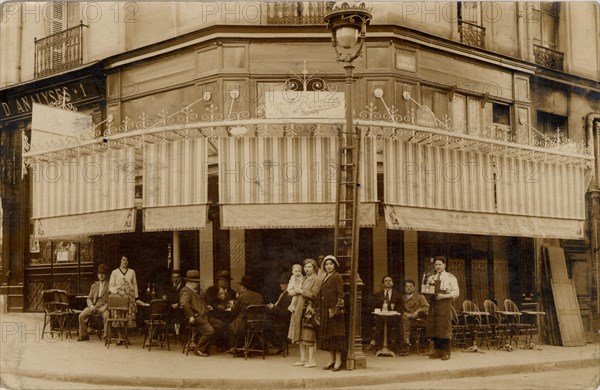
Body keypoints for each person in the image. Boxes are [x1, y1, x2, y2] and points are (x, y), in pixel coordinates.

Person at [288, 258, 322, 368]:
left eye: (310, 267)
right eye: (306, 267)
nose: (307, 269)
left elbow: (314, 295)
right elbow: (294, 290)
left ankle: (312, 361)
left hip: (308, 310)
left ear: (314, 268)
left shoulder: (316, 279)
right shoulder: (303, 278)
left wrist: (301, 291)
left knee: (309, 336)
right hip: (299, 308)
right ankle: (302, 359)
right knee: (300, 336)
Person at [179, 270, 222, 357]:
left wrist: (206, 307)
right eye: (196, 282)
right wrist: (191, 316)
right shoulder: (186, 291)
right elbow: (184, 304)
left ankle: (206, 345)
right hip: (197, 318)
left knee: (220, 325)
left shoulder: (192, 291)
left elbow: (196, 304)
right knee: (210, 331)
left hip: (204, 316)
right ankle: (199, 348)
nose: (198, 284)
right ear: (191, 282)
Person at [425, 256, 459, 360]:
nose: (438, 266)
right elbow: (427, 290)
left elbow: (456, 293)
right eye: (436, 264)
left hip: (444, 304)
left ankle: (446, 352)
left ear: (444, 265)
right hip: (434, 305)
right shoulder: (431, 277)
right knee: (434, 326)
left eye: (440, 264)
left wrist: (443, 296)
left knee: (444, 327)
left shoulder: (450, 277)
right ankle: (437, 351)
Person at [318, 255, 345, 371]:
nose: (328, 266)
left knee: (336, 336)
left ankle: (338, 361)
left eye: (331, 264)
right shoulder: (326, 277)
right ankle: (331, 360)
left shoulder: (336, 277)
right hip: (325, 310)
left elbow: (340, 294)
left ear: (335, 265)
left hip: (334, 312)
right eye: (326, 264)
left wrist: (336, 309)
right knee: (329, 336)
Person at [367, 275, 403, 352]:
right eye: (386, 281)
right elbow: (375, 306)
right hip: (381, 317)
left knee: (385, 323)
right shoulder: (378, 295)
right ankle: (380, 344)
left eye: (390, 280)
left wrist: (394, 313)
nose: (388, 282)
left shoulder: (398, 295)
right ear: (383, 284)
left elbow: (400, 308)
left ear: (392, 283)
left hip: (393, 318)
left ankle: (374, 341)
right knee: (381, 321)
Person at [228, 275, 264, 351]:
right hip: (258, 324)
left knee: (230, 325)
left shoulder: (242, 296)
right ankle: (249, 345)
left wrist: (235, 302)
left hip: (244, 324)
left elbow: (233, 311)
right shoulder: (260, 296)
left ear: (244, 287)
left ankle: (234, 347)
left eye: (241, 286)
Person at [77, 264, 110, 341]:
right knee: (81, 316)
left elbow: (111, 299)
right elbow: (89, 298)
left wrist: (105, 307)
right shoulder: (94, 286)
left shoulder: (109, 285)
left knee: (107, 316)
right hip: (94, 306)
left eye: (103, 274)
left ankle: (106, 336)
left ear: (106, 275)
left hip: (104, 306)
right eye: (99, 274)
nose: (101, 275)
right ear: (97, 275)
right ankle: (83, 336)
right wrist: (91, 305)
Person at [399, 279, 429, 356]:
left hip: (418, 319)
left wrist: (417, 312)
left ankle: (406, 344)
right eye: (407, 286)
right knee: (403, 319)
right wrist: (405, 313)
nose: (408, 288)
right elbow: (400, 308)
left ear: (414, 288)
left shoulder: (420, 297)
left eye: (410, 286)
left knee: (404, 320)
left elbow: (426, 307)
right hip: (406, 319)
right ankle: (405, 343)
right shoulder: (403, 298)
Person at [108, 256, 141, 328]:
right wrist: (117, 292)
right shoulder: (115, 272)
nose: (125, 261)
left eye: (127, 260)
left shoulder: (132, 272)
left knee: (128, 317)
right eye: (123, 260)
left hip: (129, 297)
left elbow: (135, 284)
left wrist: (136, 297)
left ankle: (126, 333)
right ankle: (120, 332)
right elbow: (111, 286)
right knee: (119, 316)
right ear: (120, 261)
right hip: (119, 297)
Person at [266, 274, 292, 354]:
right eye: (280, 283)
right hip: (279, 320)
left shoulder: (288, 295)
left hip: (282, 322)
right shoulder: (283, 294)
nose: (281, 285)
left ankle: (278, 345)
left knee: (263, 328)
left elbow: (285, 312)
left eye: (283, 283)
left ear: (289, 284)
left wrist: (273, 307)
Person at [166, 270, 184, 336]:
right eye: (174, 277)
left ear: (181, 278)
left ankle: (177, 333)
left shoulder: (184, 287)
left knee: (178, 311)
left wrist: (178, 304)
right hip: (171, 306)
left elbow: (185, 299)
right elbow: (168, 297)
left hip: (181, 307)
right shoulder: (170, 287)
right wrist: (170, 303)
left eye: (177, 277)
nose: (175, 279)